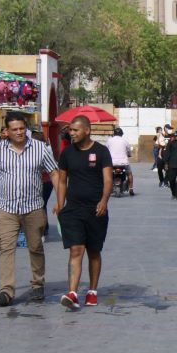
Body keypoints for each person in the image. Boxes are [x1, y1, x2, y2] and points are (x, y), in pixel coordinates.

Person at [0, 113, 62, 307]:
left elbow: (54, 173)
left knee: (36, 247)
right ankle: (6, 291)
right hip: (7, 208)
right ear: (6, 131)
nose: (19, 132)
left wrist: (61, 200)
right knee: (6, 248)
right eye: (15, 129)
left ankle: (38, 285)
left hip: (34, 208)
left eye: (22, 128)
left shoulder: (40, 148)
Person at [55, 115, 113, 311]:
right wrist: (60, 203)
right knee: (75, 249)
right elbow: (62, 181)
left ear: (87, 130)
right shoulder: (67, 153)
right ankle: (72, 292)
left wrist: (104, 200)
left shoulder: (101, 151)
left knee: (94, 251)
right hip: (73, 209)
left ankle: (92, 291)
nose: (72, 133)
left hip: (96, 210)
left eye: (76, 130)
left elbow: (107, 180)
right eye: (70, 130)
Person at [106, 127, 133, 195]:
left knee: (106, 174)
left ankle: (106, 188)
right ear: (121, 134)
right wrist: (129, 155)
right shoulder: (125, 141)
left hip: (112, 163)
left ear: (114, 134)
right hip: (123, 163)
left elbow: (106, 150)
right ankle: (131, 189)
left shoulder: (109, 140)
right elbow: (129, 151)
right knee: (129, 174)